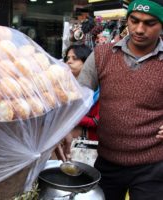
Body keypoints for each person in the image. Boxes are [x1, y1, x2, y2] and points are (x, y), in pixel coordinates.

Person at [56, 0, 163, 199]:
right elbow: (78, 97)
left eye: (150, 23)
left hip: (153, 166)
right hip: (108, 161)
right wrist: (64, 127)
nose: (139, 29)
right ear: (127, 20)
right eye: (134, 20)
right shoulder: (102, 55)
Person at [55, 44, 99, 161]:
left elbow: (96, 121)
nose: (69, 61)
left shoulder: (98, 90)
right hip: (65, 139)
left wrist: (70, 116)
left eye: (75, 58)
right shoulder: (64, 86)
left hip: (87, 144)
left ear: (87, 62)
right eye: (68, 58)